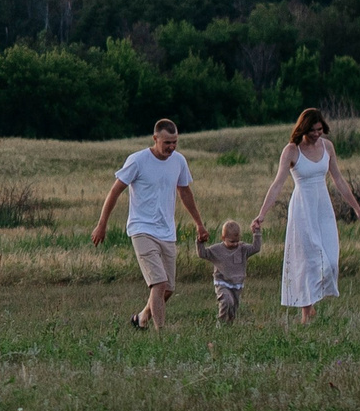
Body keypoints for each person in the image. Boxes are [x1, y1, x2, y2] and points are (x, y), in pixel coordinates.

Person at [250, 107, 360, 322]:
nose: (317, 134)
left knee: (331, 260)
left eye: (320, 129)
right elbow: (277, 184)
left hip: (323, 206)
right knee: (307, 259)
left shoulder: (328, 147)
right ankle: (307, 309)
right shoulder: (291, 150)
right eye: (313, 130)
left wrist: (358, 210)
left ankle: (313, 299)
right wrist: (262, 214)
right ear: (303, 129)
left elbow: (339, 180)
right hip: (302, 208)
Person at [89, 118, 207, 330]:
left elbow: (185, 192)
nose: (171, 147)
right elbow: (115, 191)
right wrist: (101, 224)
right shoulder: (138, 160)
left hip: (167, 232)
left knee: (168, 288)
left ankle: (142, 317)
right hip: (141, 228)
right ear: (155, 139)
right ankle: (160, 333)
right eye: (167, 143)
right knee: (159, 283)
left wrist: (199, 224)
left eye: (175, 142)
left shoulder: (179, 161)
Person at [198, 219, 262, 323]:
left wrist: (257, 233)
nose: (235, 244)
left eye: (237, 241)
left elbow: (256, 248)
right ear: (223, 238)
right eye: (232, 241)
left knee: (233, 308)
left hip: (237, 285)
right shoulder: (217, 250)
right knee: (226, 301)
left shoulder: (242, 249)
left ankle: (229, 325)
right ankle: (221, 323)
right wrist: (200, 242)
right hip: (222, 282)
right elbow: (202, 253)